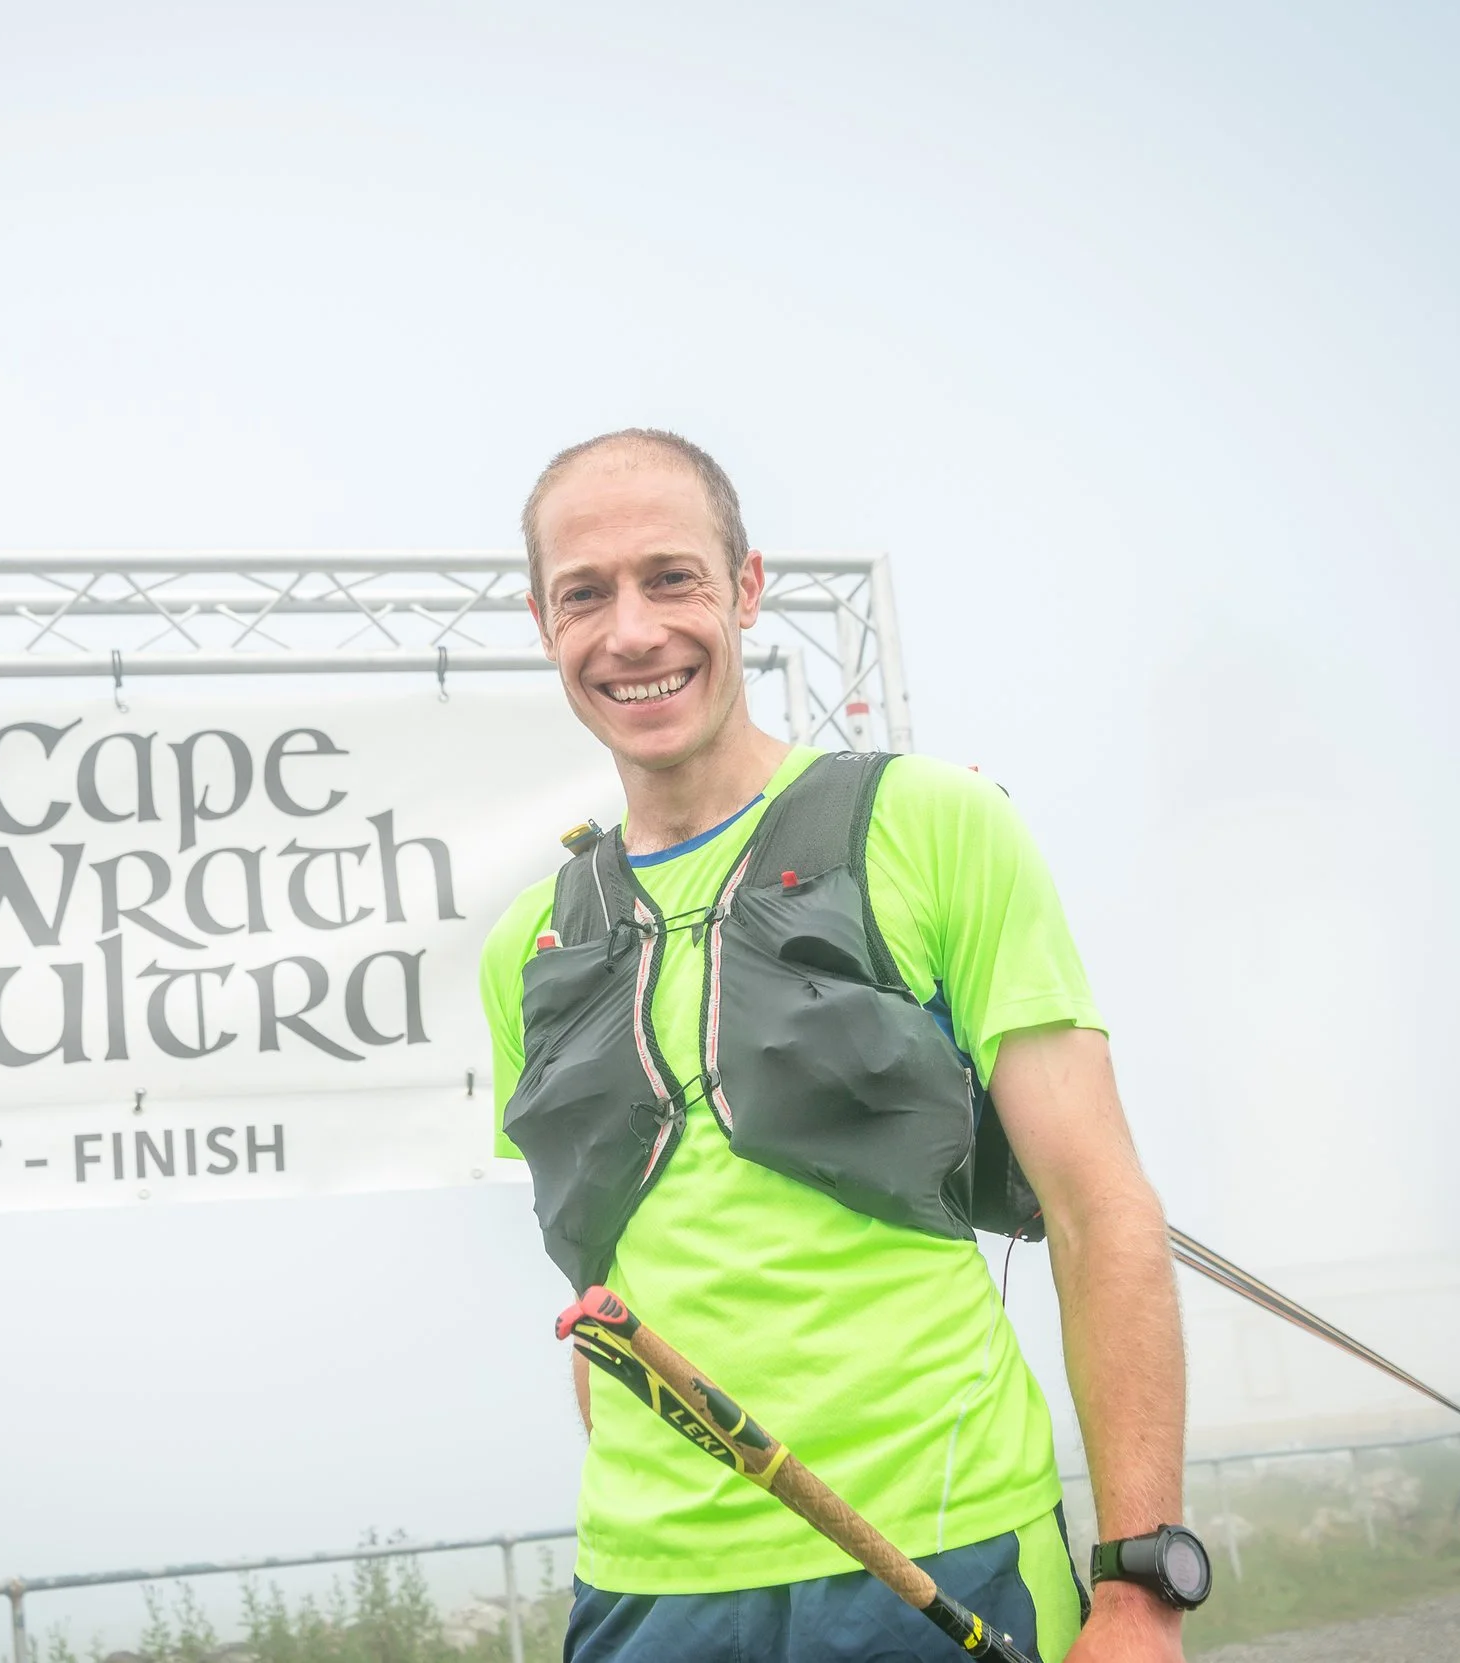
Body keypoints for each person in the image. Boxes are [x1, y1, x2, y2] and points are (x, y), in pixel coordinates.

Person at [479, 430, 1192, 1663]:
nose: (632, 631)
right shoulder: (527, 946)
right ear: (543, 621)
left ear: (746, 589)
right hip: (647, 1598)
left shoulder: (933, 824)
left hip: (943, 1555)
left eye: (672, 578)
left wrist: (1138, 1588)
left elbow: (1098, 1209)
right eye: (584, 593)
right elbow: (600, 1293)